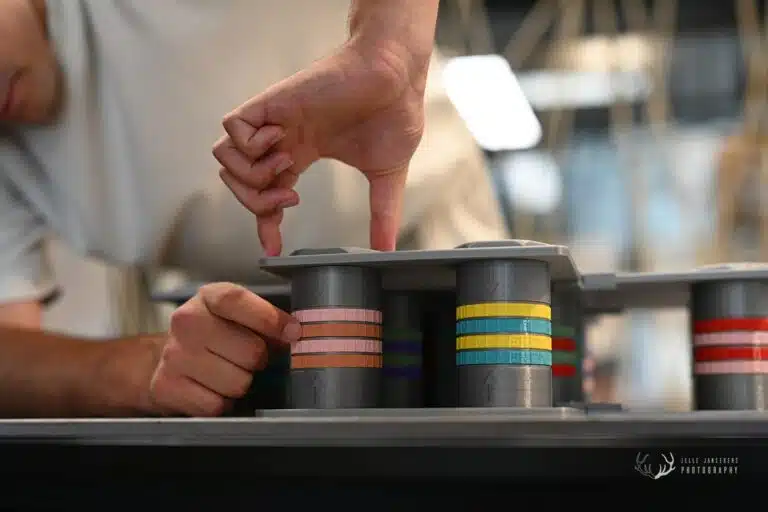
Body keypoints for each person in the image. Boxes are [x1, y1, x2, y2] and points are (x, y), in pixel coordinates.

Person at [0, 0, 508, 417]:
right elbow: (12, 352)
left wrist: (389, 48)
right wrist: (143, 368)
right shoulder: (9, 145)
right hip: (249, 326)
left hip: (435, 245)